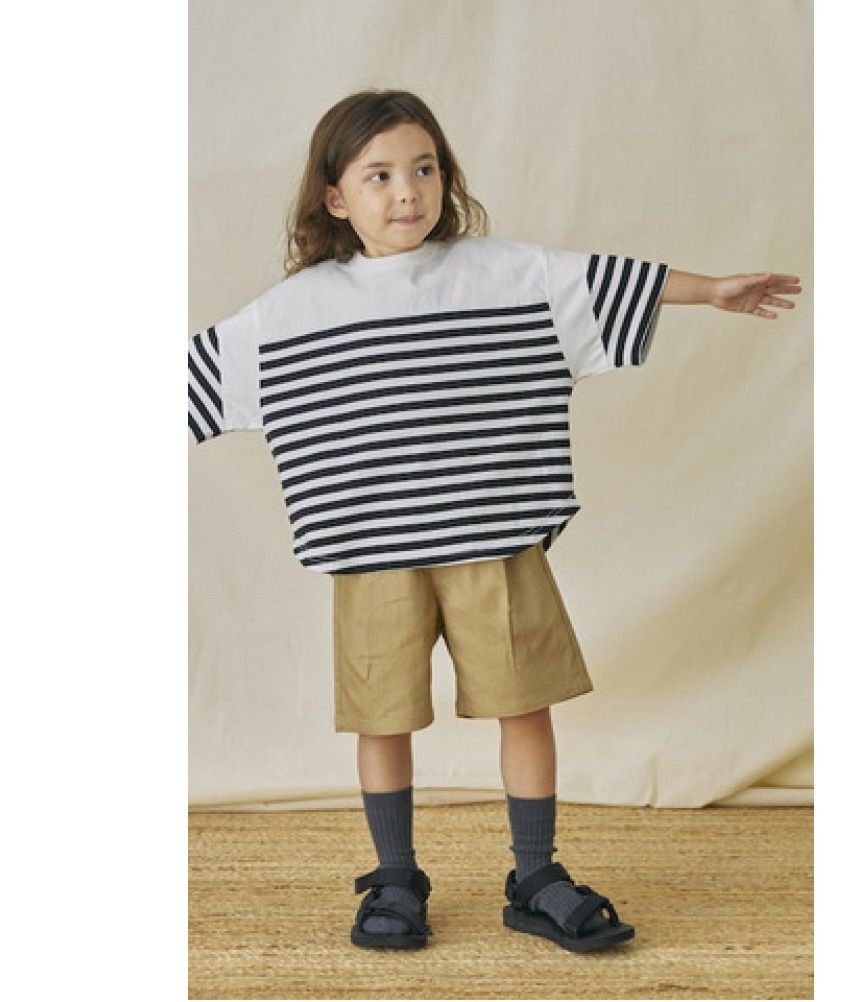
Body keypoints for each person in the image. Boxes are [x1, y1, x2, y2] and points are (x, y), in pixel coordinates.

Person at [188, 89, 801, 953]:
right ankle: (395, 878)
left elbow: (607, 281)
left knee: (525, 705)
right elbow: (194, 378)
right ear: (335, 197)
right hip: (374, 550)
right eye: (379, 175)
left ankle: (536, 876)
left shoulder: (504, 274)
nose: (408, 190)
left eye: (424, 168)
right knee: (381, 717)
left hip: (496, 539)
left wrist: (713, 291)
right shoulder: (293, 313)